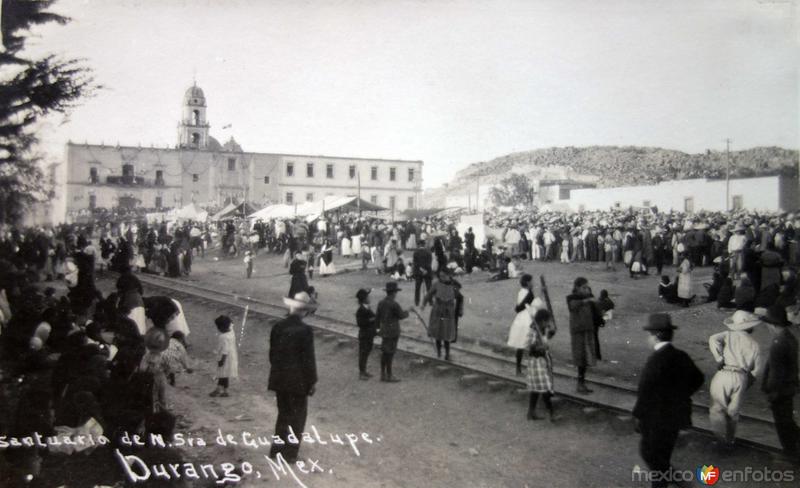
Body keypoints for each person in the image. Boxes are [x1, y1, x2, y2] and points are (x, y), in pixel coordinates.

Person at [633, 313, 704, 488]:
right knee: (662, 455)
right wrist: (680, 395)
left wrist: (638, 416)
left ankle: (677, 481)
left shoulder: (655, 361)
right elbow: (698, 378)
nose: (648, 338)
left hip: (656, 419)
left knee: (650, 454)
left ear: (656, 335)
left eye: (649, 334)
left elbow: (645, 392)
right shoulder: (681, 356)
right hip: (675, 417)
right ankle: (673, 478)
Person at [268, 291, 318, 463]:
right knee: (297, 418)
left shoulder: (278, 326)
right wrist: (312, 381)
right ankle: (289, 454)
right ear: (304, 311)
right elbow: (308, 360)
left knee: (283, 414)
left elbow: (272, 355)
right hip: (298, 382)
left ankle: (276, 451)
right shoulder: (305, 330)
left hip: (280, 380)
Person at [707, 310, 761, 449]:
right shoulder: (754, 344)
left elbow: (713, 339)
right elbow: (756, 369)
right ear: (750, 326)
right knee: (733, 411)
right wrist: (748, 382)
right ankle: (730, 440)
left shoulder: (728, 335)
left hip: (725, 372)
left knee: (717, 408)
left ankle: (719, 440)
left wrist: (719, 358)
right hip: (741, 376)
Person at [760, 304, 800, 462]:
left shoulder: (778, 342)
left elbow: (776, 373)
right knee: (788, 420)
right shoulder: (790, 337)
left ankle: (790, 454)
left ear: (772, 324)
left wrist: (770, 391)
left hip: (780, 390)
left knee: (783, 423)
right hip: (789, 387)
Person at [507, 274, 545, 375]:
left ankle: (519, 368)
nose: (533, 283)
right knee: (532, 344)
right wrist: (541, 293)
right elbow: (535, 304)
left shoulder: (522, 292)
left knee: (521, 344)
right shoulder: (528, 293)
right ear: (528, 283)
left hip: (521, 319)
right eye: (532, 281)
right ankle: (532, 369)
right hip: (527, 320)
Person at [566, 277, 599, 394]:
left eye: (587, 287)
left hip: (587, 331)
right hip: (578, 332)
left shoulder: (587, 298)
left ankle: (582, 383)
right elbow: (572, 306)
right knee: (580, 359)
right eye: (584, 287)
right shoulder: (572, 298)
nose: (586, 289)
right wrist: (586, 300)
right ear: (577, 287)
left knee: (586, 359)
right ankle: (580, 385)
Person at [526, 309, 559, 422]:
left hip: (543, 361)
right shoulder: (533, 331)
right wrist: (540, 348)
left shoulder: (542, 330)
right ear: (542, 320)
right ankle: (552, 414)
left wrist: (551, 334)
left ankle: (531, 413)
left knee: (536, 388)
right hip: (536, 361)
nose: (548, 324)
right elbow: (530, 348)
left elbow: (545, 339)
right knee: (545, 387)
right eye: (547, 321)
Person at [422, 270, 461, 361]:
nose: (442, 278)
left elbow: (459, 297)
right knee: (438, 332)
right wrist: (423, 304)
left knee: (447, 333)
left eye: (444, 276)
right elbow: (428, 295)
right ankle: (439, 353)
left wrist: (459, 310)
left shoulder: (454, 285)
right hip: (438, 311)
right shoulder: (436, 284)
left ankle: (447, 354)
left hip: (448, 312)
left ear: (449, 275)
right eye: (440, 276)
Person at [376, 282, 408, 382]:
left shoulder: (381, 303)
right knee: (390, 353)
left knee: (384, 352)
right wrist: (408, 311)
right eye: (396, 292)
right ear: (394, 292)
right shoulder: (394, 304)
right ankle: (389, 375)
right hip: (393, 332)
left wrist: (378, 329)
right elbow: (402, 316)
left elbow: (377, 318)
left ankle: (382, 374)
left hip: (384, 331)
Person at [210, 315, 238, 397]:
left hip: (225, 358)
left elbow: (225, 350)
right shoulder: (231, 331)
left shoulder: (223, 337)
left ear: (221, 327)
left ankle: (219, 389)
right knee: (225, 374)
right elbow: (232, 323)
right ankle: (224, 391)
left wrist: (222, 361)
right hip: (231, 357)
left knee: (222, 374)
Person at [355, 288, 377, 380]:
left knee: (367, 352)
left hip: (369, 334)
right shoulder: (360, 310)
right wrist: (372, 319)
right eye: (368, 296)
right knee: (363, 354)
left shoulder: (367, 307)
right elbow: (360, 323)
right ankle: (361, 373)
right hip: (364, 335)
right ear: (364, 299)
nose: (369, 297)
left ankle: (364, 371)